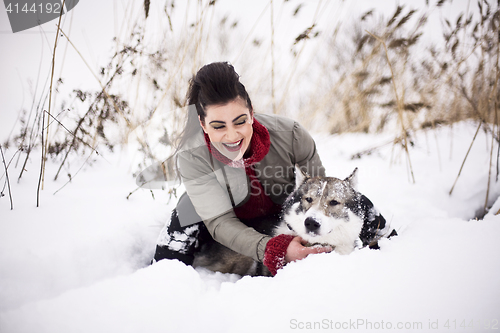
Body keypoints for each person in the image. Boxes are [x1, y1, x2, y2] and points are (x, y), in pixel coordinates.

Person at [153, 61, 331, 275]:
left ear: (251, 112)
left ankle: (379, 239)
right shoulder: (192, 155)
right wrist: (274, 248)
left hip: (279, 219)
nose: (232, 135)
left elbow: (320, 195)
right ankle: (164, 277)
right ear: (202, 124)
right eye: (218, 126)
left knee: (352, 202)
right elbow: (220, 222)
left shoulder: (291, 134)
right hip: (223, 226)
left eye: (240, 121)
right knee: (187, 209)